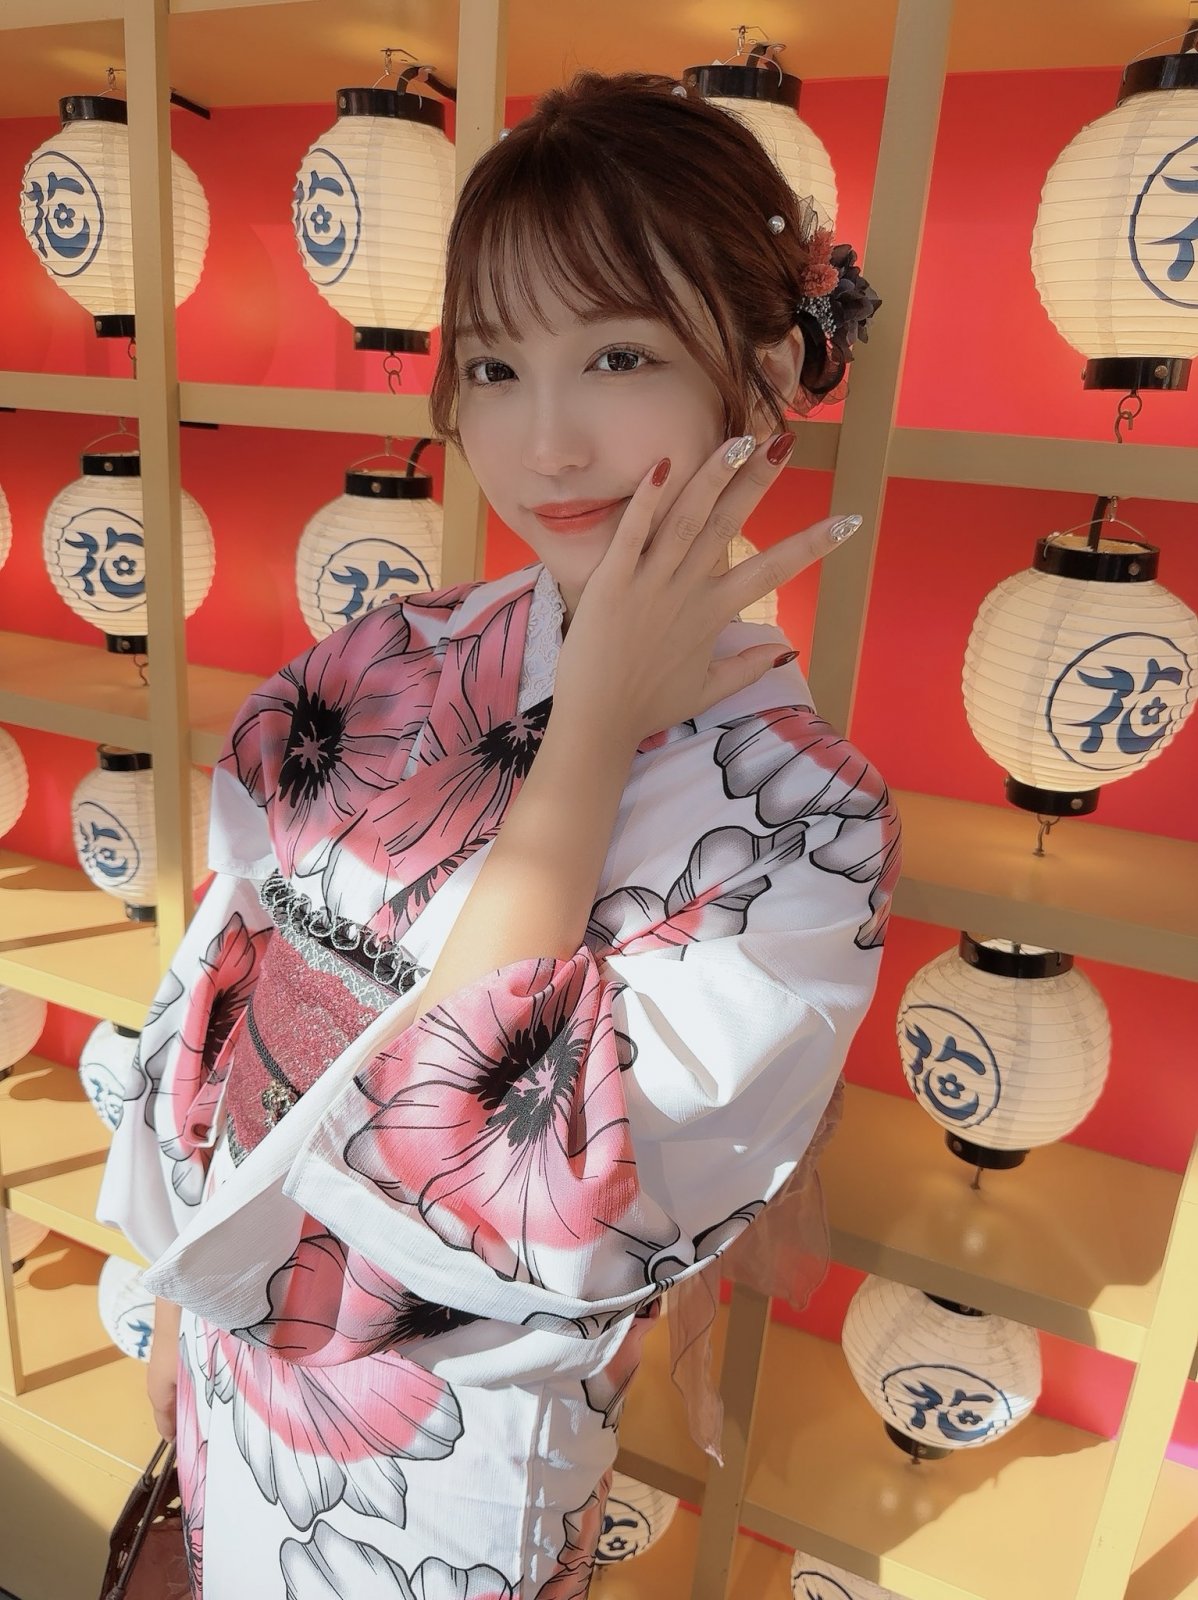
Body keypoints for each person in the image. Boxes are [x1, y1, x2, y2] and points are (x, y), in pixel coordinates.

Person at [98, 70, 899, 1600]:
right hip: (223, 1345)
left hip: (442, 1453)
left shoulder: (808, 826)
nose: (545, 444)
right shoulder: (381, 658)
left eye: (617, 355)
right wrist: (175, 1294)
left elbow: (472, 1177)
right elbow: (210, 993)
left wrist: (587, 733)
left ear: (761, 377)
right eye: (492, 365)